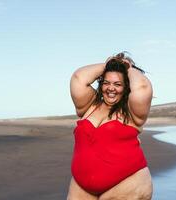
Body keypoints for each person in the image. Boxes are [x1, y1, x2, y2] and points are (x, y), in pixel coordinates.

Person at [67, 52, 153, 200]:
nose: (111, 88)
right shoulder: (89, 105)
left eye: (118, 84)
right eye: (106, 83)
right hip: (81, 188)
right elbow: (78, 78)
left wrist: (128, 68)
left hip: (127, 185)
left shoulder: (132, 112)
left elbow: (143, 87)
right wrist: (108, 64)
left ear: (127, 87)